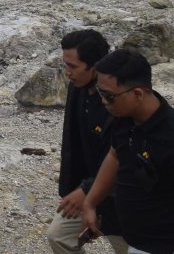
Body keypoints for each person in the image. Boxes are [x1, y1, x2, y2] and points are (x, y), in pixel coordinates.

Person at [81, 49, 174, 254]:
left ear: (138, 93)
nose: (103, 102)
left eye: (109, 96)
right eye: (101, 93)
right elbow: (114, 155)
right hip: (136, 241)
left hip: (168, 247)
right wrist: (90, 203)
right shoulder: (123, 117)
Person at [47, 29, 128, 254]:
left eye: (73, 66)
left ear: (95, 66)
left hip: (121, 199)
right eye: (65, 65)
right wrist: (72, 191)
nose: (67, 73)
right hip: (86, 189)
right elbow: (72, 145)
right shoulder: (77, 88)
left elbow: (123, 159)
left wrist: (86, 191)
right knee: (59, 237)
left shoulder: (119, 102)